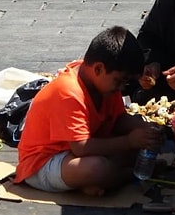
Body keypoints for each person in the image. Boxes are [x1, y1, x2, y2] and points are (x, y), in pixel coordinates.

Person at [14, 26, 164, 196]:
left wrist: (143, 128)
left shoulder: (105, 85)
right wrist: (129, 141)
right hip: (43, 163)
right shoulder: (69, 91)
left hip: (79, 152)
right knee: (96, 168)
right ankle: (121, 177)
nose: (121, 88)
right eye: (119, 81)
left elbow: (118, 120)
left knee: (135, 148)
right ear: (98, 69)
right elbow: (81, 148)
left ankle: (99, 181)